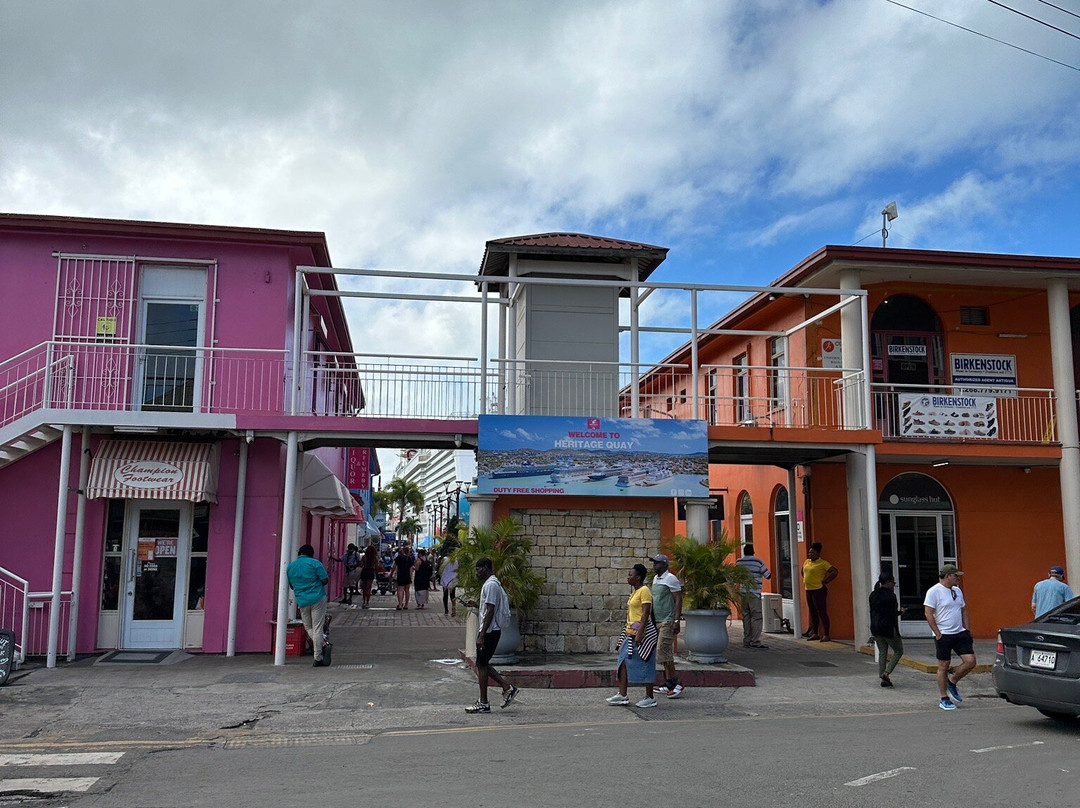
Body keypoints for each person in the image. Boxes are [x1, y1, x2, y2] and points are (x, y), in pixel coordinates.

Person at [465, 557, 519, 714]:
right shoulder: (492, 584)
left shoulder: (491, 585)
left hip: (490, 631)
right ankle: (506, 688)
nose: (477, 572)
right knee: (482, 663)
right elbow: (488, 607)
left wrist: (481, 635)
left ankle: (484, 702)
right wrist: (476, 605)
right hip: (490, 630)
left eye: (478, 569)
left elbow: (490, 611)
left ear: (486, 568)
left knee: (481, 664)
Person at [924, 564, 976, 711]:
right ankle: (944, 698)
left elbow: (963, 609)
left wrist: (967, 628)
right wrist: (937, 632)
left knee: (970, 661)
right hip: (944, 634)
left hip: (959, 632)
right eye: (956, 576)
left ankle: (952, 681)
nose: (958, 578)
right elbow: (928, 613)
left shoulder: (957, 591)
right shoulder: (934, 591)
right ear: (948, 576)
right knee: (943, 666)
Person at [607, 564, 659, 709]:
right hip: (630, 634)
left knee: (646, 662)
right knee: (623, 662)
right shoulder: (634, 593)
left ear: (638, 578)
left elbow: (645, 613)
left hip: (643, 634)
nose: (628, 577)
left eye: (631, 575)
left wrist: (640, 634)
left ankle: (650, 697)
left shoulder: (645, 591)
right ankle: (622, 695)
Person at [285, 544, 331, 668]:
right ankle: (318, 656)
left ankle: (322, 646)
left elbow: (292, 586)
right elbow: (325, 580)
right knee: (317, 628)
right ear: (311, 553)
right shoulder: (315, 563)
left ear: (299, 553)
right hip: (318, 598)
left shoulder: (290, 567)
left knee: (308, 627)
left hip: (302, 600)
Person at [650, 553, 684, 698]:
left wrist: (676, 621)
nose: (654, 565)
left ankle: (676, 683)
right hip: (657, 620)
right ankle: (668, 681)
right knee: (663, 654)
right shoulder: (656, 579)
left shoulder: (671, 579)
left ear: (664, 565)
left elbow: (678, 600)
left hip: (667, 620)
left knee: (663, 651)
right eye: (654, 563)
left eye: (657, 563)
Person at [869, 571, 904, 687]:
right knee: (899, 651)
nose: (894, 584)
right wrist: (901, 612)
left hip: (875, 627)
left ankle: (883, 676)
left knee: (882, 651)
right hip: (888, 628)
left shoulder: (873, 595)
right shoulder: (891, 596)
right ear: (888, 582)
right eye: (893, 582)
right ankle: (886, 672)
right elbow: (892, 613)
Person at [736, 544, 772, 649]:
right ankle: (755, 640)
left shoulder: (739, 562)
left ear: (744, 552)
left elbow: (735, 576)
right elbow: (768, 575)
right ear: (753, 551)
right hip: (754, 593)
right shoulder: (758, 562)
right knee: (756, 616)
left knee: (746, 616)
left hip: (742, 592)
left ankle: (746, 640)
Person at [801, 542, 839, 642]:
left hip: (818, 590)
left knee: (821, 612)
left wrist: (826, 580)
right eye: (809, 553)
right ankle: (815, 633)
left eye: (812, 553)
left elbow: (834, 571)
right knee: (813, 612)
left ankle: (826, 634)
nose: (810, 554)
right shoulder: (807, 562)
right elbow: (803, 571)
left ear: (818, 554)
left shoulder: (823, 563)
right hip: (808, 589)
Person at [392, 545, 413, 610]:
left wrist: (391, 573)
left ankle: (400, 604)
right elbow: (411, 569)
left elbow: (394, 567)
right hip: (407, 576)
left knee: (400, 590)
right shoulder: (409, 558)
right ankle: (406, 605)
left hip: (400, 575)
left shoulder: (399, 558)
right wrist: (410, 577)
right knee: (407, 590)